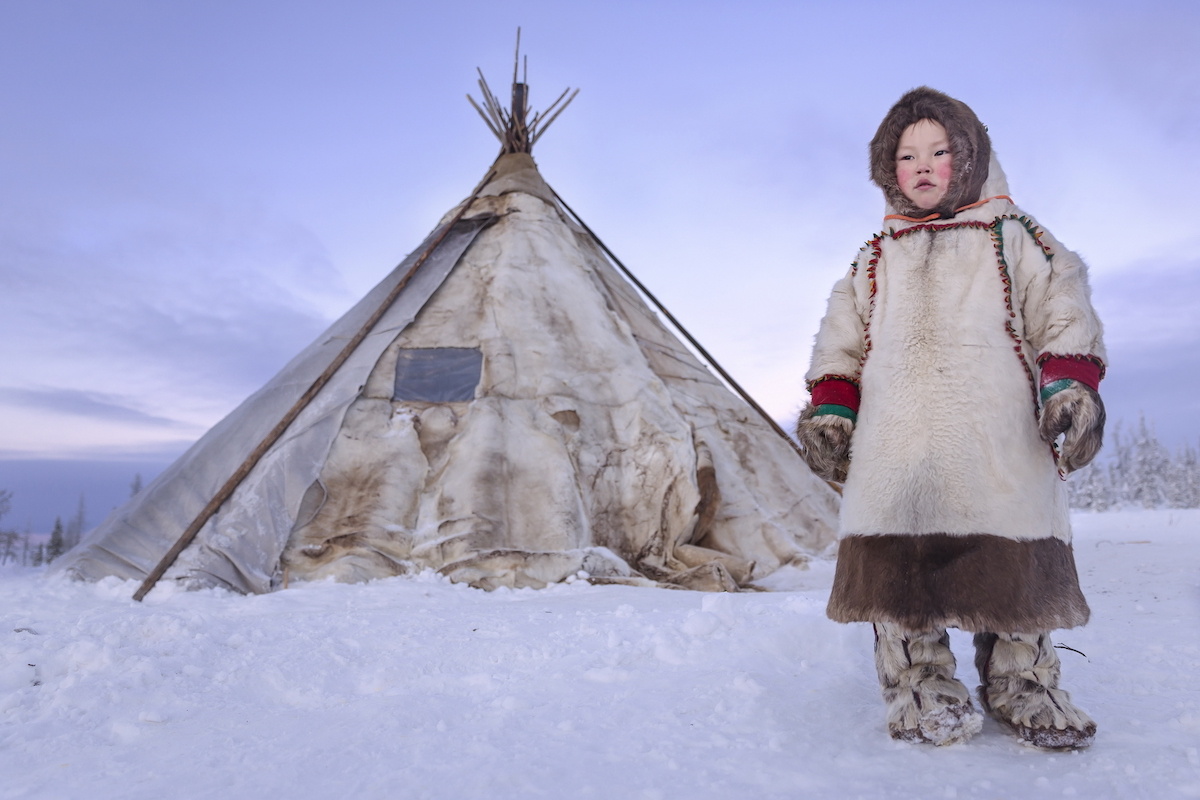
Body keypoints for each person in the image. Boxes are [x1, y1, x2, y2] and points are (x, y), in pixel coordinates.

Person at [797, 87, 1105, 749]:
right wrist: (832, 410)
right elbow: (841, 339)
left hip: (998, 439)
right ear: (888, 169)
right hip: (897, 446)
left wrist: (1069, 387)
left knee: (1016, 570)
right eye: (907, 156)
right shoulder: (875, 255)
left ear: (970, 157)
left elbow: (1062, 309)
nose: (923, 166)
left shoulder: (1014, 236)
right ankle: (920, 687)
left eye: (939, 152)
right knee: (900, 577)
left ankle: (1024, 684)